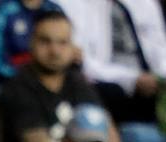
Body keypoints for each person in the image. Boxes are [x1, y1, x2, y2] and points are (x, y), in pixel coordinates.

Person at [0, 8, 127, 142]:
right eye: (45, 41)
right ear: (30, 42)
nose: (55, 51)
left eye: (62, 43)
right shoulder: (18, 88)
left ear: (72, 46)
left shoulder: (77, 82)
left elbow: (106, 128)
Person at [57, 0, 166, 131]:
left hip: (151, 81)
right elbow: (82, 60)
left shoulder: (145, 3)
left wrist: (161, 78)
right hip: (106, 82)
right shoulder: (69, 5)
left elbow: (160, 50)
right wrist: (132, 79)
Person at [0, 0, 61, 82]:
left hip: (47, 80)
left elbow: (65, 49)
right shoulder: (4, 9)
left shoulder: (54, 9)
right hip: (7, 82)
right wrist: (27, 78)